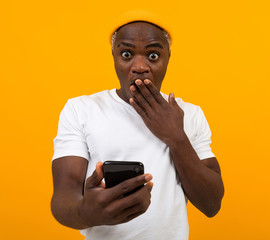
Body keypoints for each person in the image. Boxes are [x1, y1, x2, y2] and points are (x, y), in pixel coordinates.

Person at [51, 11, 224, 240]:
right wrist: (87, 212)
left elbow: (211, 204)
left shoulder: (190, 114)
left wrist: (176, 136)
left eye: (153, 55)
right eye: (126, 54)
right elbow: (63, 198)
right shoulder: (80, 109)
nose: (140, 66)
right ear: (113, 56)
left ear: (168, 56)